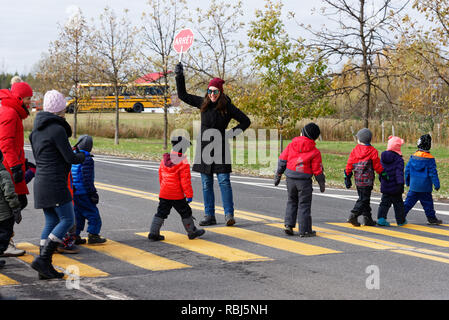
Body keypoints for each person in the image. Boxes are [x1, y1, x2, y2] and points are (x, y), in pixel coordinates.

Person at [175, 62, 251, 227]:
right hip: (204, 149)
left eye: (215, 91)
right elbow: (182, 95)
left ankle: (229, 215)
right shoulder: (203, 103)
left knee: (224, 181)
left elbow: (246, 121)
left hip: (221, 148)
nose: (212, 94)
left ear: (220, 92)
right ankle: (209, 215)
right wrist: (179, 75)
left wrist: (231, 134)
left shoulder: (227, 107)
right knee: (206, 183)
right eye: (209, 91)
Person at [29, 90, 86, 280]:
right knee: (67, 220)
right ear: (61, 108)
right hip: (55, 182)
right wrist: (82, 155)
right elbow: (69, 157)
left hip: (41, 182)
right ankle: (43, 259)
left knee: (52, 222)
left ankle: (44, 267)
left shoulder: (35, 131)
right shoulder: (57, 129)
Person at [148, 136, 205, 241]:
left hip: (164, 193)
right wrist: (189, 195)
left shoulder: (165, 159)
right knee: (186, 212)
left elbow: (161, 176)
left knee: (161, 212)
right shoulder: (183, 161)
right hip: (177, 195)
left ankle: (153, 233)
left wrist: (163, 189)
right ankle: (192, 232)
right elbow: (185, 181)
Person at [0, 81, 34, 257]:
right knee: (12, 206)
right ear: (20, 98)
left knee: (16, 204)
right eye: (28, 98)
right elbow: (5, 143)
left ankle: (6, 242)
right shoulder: (10, 113)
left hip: (13, 165)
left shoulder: (12, 111)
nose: (30, 102)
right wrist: (15, 165)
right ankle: (5, 243)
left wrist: (22, 162)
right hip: (9, 168)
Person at [274, 123, 325, 237]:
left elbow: (282, 160)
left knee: (291, 201)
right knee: (304, 204)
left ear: (302, 133)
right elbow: (317, 169)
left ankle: (289, 225)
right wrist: (321, 183)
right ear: (315, 137)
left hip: (290, 179)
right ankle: (305, 230)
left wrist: (278, 174)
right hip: (304, 181)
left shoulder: (291, 145)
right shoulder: (315, 151)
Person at [344, 128, 386, 226]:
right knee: (363, 199)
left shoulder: (355, 150)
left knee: (365, 199)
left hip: (358, 180)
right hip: (367, 181)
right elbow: (377, 166)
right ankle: (353, 215)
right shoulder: (373, 151)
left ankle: (368, 219)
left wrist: (347, 176)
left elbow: (349, 164)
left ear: (359, 139)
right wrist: (383, 173)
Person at [71, 134, 106, 245]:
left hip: (75, 191)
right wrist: (93, 192)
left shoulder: (73, 155)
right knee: (93, 213)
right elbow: (87, 178)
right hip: (84, 192)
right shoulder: (87, 159)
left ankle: (75, 235)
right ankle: (93, 235)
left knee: (78, 214)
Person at [403, 134, 442, 225]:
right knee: (428, 204)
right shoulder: (430, 159)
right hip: (425, 187)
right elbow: (433, 173)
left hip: (414, 186)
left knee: (408, 203)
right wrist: (437, 184)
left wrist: (408, 181)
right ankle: (431, 218)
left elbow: (407, 170)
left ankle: (400, 216)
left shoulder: (413, 157)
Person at [376, 136, 407, 227]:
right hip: (396, 186)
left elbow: (381, 170)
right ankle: (401, 220)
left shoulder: (383, 157)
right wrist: (401, 183)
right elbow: (399, 173)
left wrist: (381, 179)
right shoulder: (399, 159)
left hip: (385, 184)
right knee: (398, 204)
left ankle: (381, 219)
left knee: (384, 203)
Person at [0, 150, 22, 269]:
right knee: (5, 235)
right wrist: (16, 208)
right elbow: (9, 194)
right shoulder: (3, 174)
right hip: (4, 213)